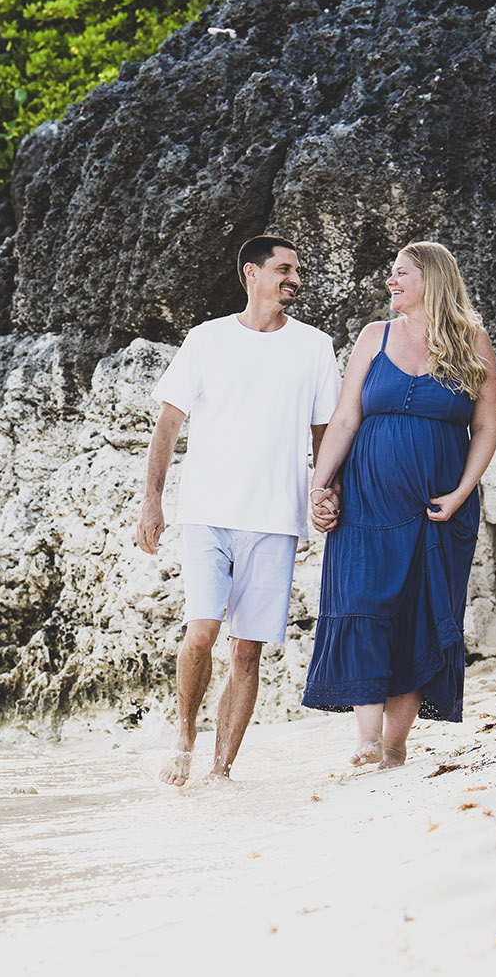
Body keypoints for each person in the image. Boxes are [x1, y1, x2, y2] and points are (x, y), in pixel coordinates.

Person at [136, 234, 341, 786]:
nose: (294, 279)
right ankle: (184, 735)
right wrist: (151, 500)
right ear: (251, 273)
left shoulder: (316, 347)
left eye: (298, 270)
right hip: (207, 510)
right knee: (201, 630)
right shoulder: (207, 340)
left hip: (276, 517)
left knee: (246, 650)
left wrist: (325, 493)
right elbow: (168, 425)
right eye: (284, 269)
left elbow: (328, 434)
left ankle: (221, 770)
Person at [301, 241, 496, 770]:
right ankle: (367, 739)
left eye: (401, 273)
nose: (390, 282)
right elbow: (345, 420)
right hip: (366, 499)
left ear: (430, 278)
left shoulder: (472, 341)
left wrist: (461, 493)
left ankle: (394, 746)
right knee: (364, 603)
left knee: (418, 613)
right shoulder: (373, 337)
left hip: (439, 506)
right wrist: (319, 487)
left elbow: (485, 426)